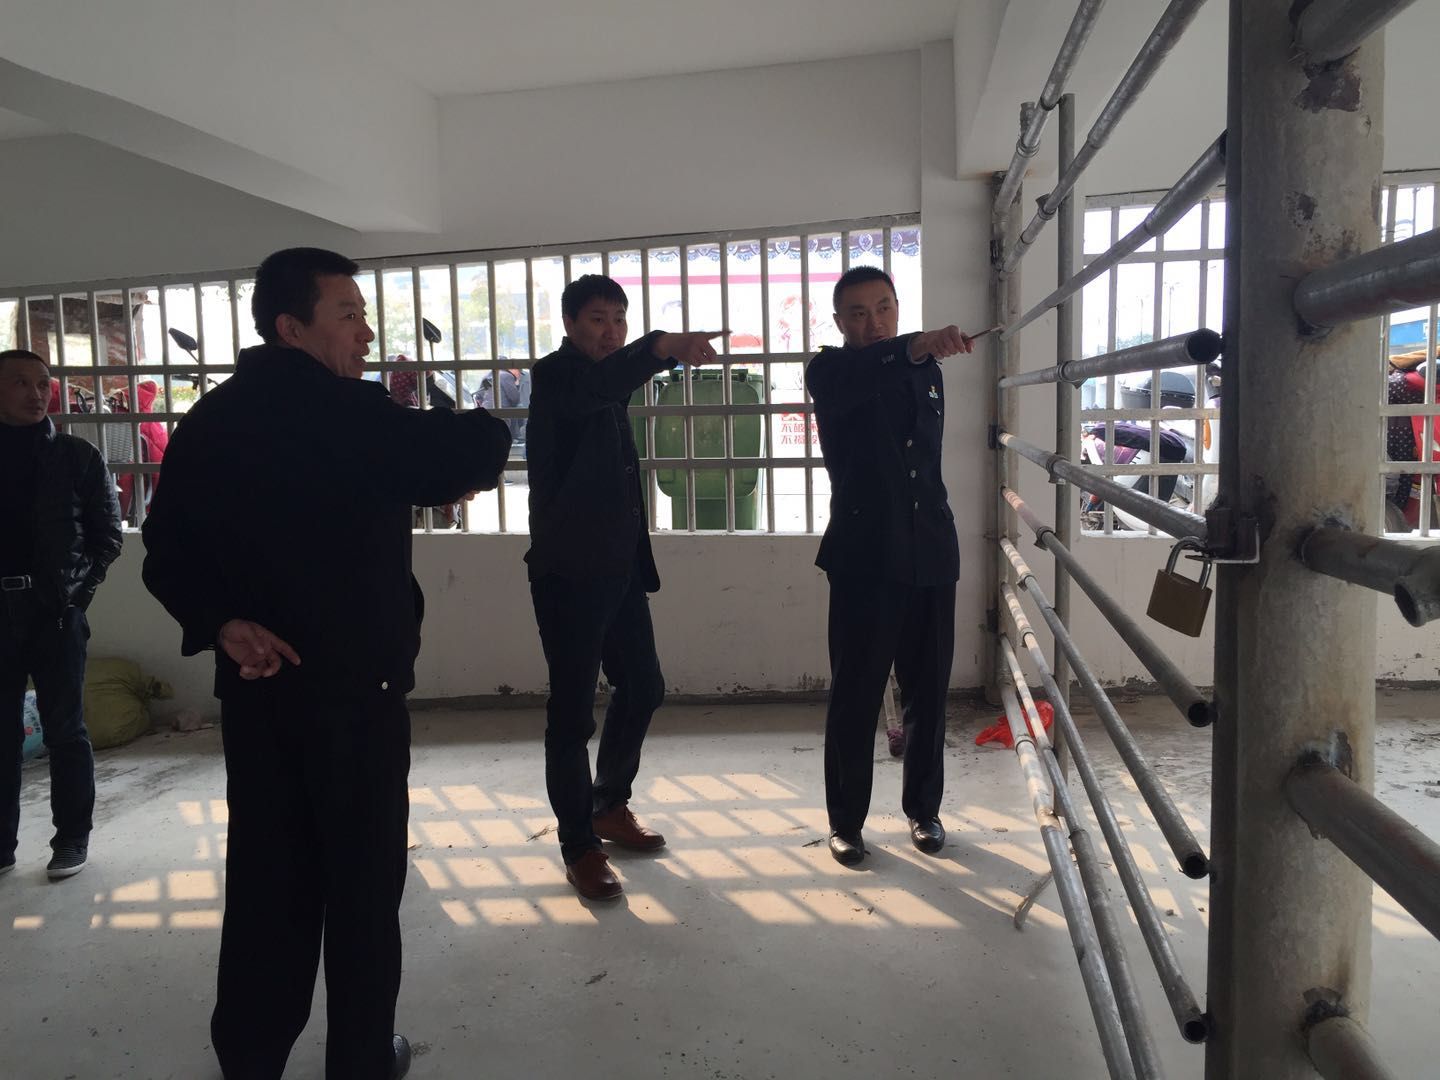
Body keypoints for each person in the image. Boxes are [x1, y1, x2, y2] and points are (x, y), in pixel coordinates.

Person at [141, 247, 511, 1080]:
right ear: (291, 327)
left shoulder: (212, 420)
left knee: (268, 878)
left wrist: (222, 623)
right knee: (362, 886)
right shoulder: (346, 411)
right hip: (355, 695)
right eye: (347, 314)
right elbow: (471, 453)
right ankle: (359, 1057)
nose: (365, 332)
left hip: (258, 691)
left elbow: (165, 551)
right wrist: (478, 422)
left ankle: (251, 1056)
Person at [525, 273, 722, 901]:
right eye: (597, 320)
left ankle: (609, 803)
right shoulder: (557, 377)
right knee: (571, 713)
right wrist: (660, 346)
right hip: (569, 574)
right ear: (569, 325)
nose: (611, 332)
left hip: (620, 570)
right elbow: (600, 385)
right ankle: (578, 844)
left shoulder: (607, 384)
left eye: (620, 319)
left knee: (643, 686)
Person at [805, 267, 973, 867]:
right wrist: (914, 345)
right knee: (856, 694)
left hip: (931, 551)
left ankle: (924, 810)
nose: (873, 321)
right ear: (839, 322)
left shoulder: (927, 371)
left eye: (883, 308)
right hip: (864, 556)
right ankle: (846, 822)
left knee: (929, 691)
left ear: (897, 308)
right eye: (857, 312)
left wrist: (917, 352)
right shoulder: (829, 370)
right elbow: (867, 374)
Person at [0, 348, 122, 881]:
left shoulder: (77, 456)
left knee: (66, 731)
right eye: (20, 383)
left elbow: (107, 537)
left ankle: (71, 839)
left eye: (43, 383)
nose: (36, 394)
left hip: (54, 612)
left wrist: (75, 596)